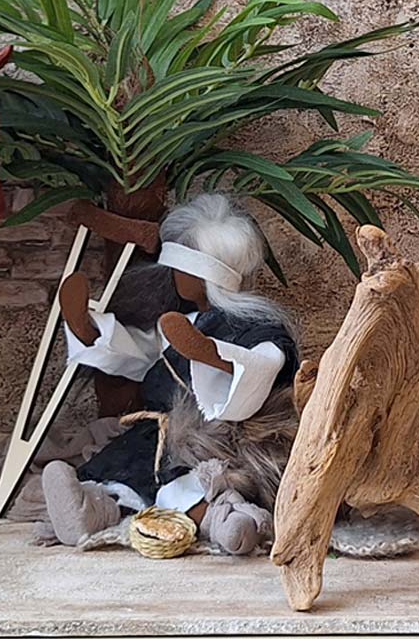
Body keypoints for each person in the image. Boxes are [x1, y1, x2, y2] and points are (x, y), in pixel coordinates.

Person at [41, 193, 298, 554]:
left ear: (204, 276)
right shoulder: (185, 322)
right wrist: (89, 330)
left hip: (222, 440)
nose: (174, 277)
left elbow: (264, 365)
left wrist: (214, 355)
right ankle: (92, 510)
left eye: (180, 270)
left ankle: (227, 520)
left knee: (202, 482)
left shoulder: (256, 327)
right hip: (162, 434)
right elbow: (142, 355)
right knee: (130, 472)